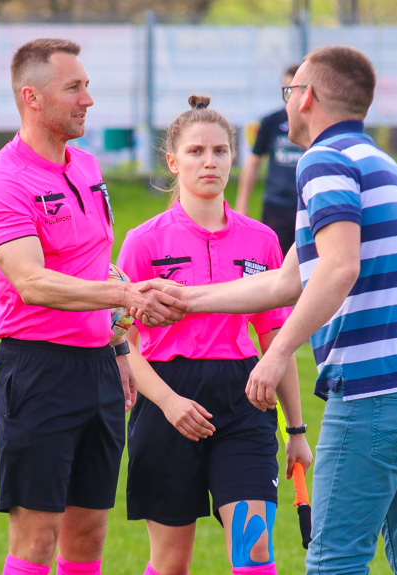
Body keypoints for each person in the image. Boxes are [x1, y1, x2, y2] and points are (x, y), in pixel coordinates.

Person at [138, 46, 397, 575]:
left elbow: (338, 269)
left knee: (334, 562)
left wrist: (277, 352)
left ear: (306, 96)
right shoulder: (380, 161)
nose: (287, 103)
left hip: (376, 389)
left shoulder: (324, 160)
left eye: (290, 93)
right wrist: (185, 299)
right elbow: (288, 281)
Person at [0, 38, 188, 575]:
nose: (88, 99)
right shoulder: (3, 181)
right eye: (74, 87)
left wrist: (117, 345)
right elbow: (31, 282)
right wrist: (126, 296)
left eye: (87, 85)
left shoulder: (86, 165)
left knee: (87, 535)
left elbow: (98, 262)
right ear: (33, 98)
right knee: (36, 540)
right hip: (39, 368)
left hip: (98, 367)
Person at [117, 95, 314, 575]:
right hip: (166, 403)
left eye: (221, 151)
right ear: (172, 161)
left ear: (234, 158)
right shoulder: (144, 241)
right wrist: (167, 403)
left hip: (245, 401)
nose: (210, 162)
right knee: (170, 564)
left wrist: (296, 431)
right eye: (196, 151)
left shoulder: (263, 240)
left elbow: (276, 341)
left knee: (254, 556)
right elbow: (120, 343)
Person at [235, 64, 305, 256]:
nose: (291, 98)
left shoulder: (314, 123)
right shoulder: (271, 122)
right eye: (287, 91)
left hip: (306, 204)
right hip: (277, 204)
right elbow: (253, 162)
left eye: (296, 91)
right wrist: (242, 203)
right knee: (275, 261)